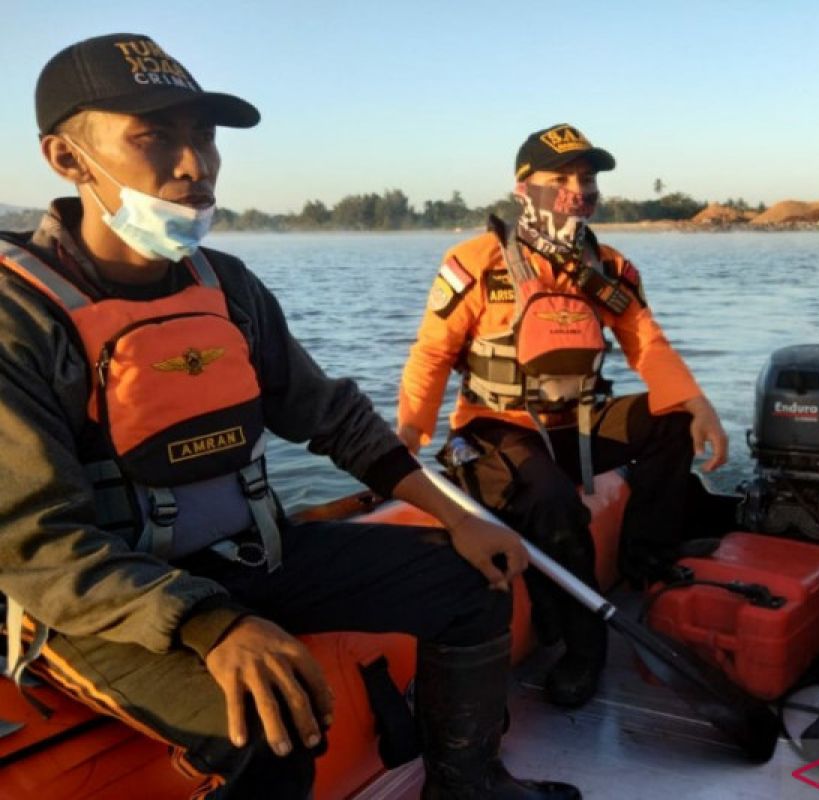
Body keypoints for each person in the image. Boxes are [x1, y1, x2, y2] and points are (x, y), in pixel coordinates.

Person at [0, 33, 580, 799]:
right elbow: (37, 543)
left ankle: (465, 783)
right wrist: (213, 625)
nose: (194, 165)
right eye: (155, 136)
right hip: (100, 611)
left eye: (204, 135)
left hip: (248, 555)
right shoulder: (20, 316)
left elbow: (332, 418)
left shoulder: (226, 284)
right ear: (66, 158)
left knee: (471, 584)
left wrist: (457, 513)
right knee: (272, 725)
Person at [397, 123, 727, 708]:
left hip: (576, 422)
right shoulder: (473, 264)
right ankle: (583, 651)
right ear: (523, 187)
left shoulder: (608, 269)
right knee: (551, 501)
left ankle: (643, 560)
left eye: (588, 178)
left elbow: (645, 341)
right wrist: (407, 438)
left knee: (671, 423)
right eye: (561, 178)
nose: (578, 190)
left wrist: (697, 405)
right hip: (496, 427)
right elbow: (432, 354)